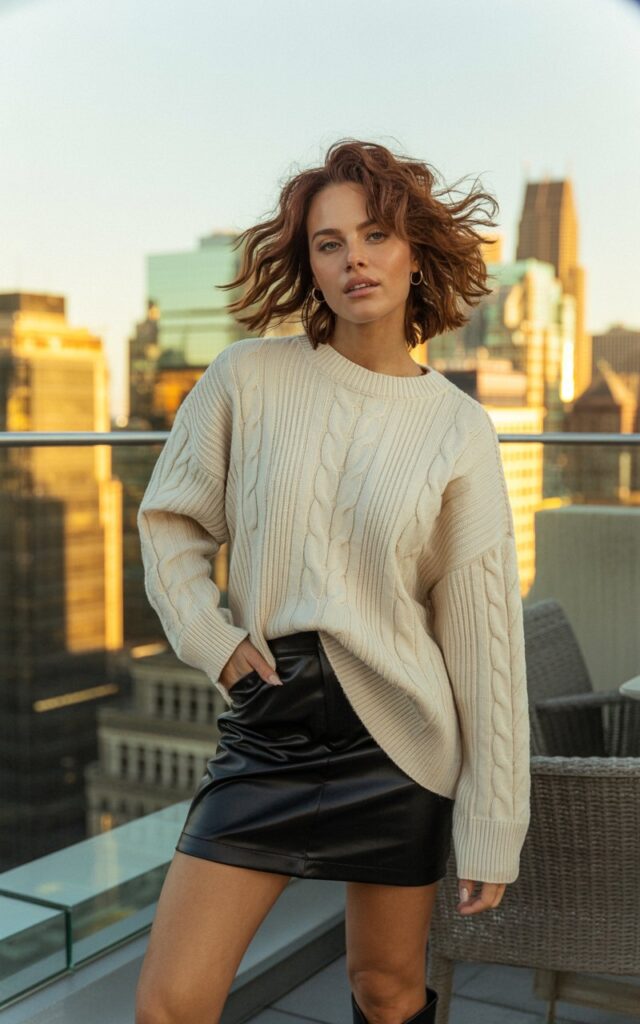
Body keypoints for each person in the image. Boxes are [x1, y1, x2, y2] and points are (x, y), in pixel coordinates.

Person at [134, 138, 531, 1024]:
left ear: (416, 249)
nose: (355, 258)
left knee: (384, 988)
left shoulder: (457, 427)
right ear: (307, 263)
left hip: (400, 742)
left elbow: (482, 638)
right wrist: (215, 640)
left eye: (378, 234)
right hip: (269, 727)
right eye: (329, 242)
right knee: (170, 1003)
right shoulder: (248, 377)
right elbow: (170, 523)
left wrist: (493, 824)